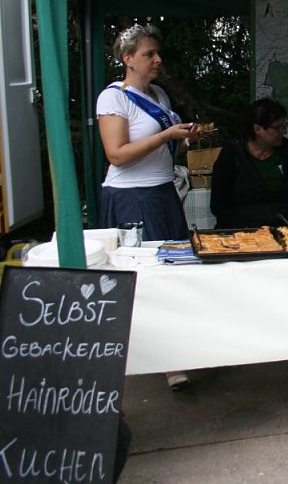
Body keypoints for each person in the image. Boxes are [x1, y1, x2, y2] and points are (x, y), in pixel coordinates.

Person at [96, 22, 198, 390]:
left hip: (162, 193)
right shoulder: (114, 98)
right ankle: (162, 362)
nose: (157, 59)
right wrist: (166, 134)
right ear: (128, 59)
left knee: (175, 272)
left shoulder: (159, 95)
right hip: (132, 197)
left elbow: (161, 150)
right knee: (148, 278)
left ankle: (173, 352)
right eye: (148, 54)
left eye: (157, 53)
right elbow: (117, 155)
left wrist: (181, 140)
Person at [210, 98, 288, 228]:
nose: (284, 132)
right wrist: (248, 230)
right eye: (279, 127)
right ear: (258, 129)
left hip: (285, 229)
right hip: (240, 231)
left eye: (285, 126)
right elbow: (219, 204)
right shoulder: (232, 154)